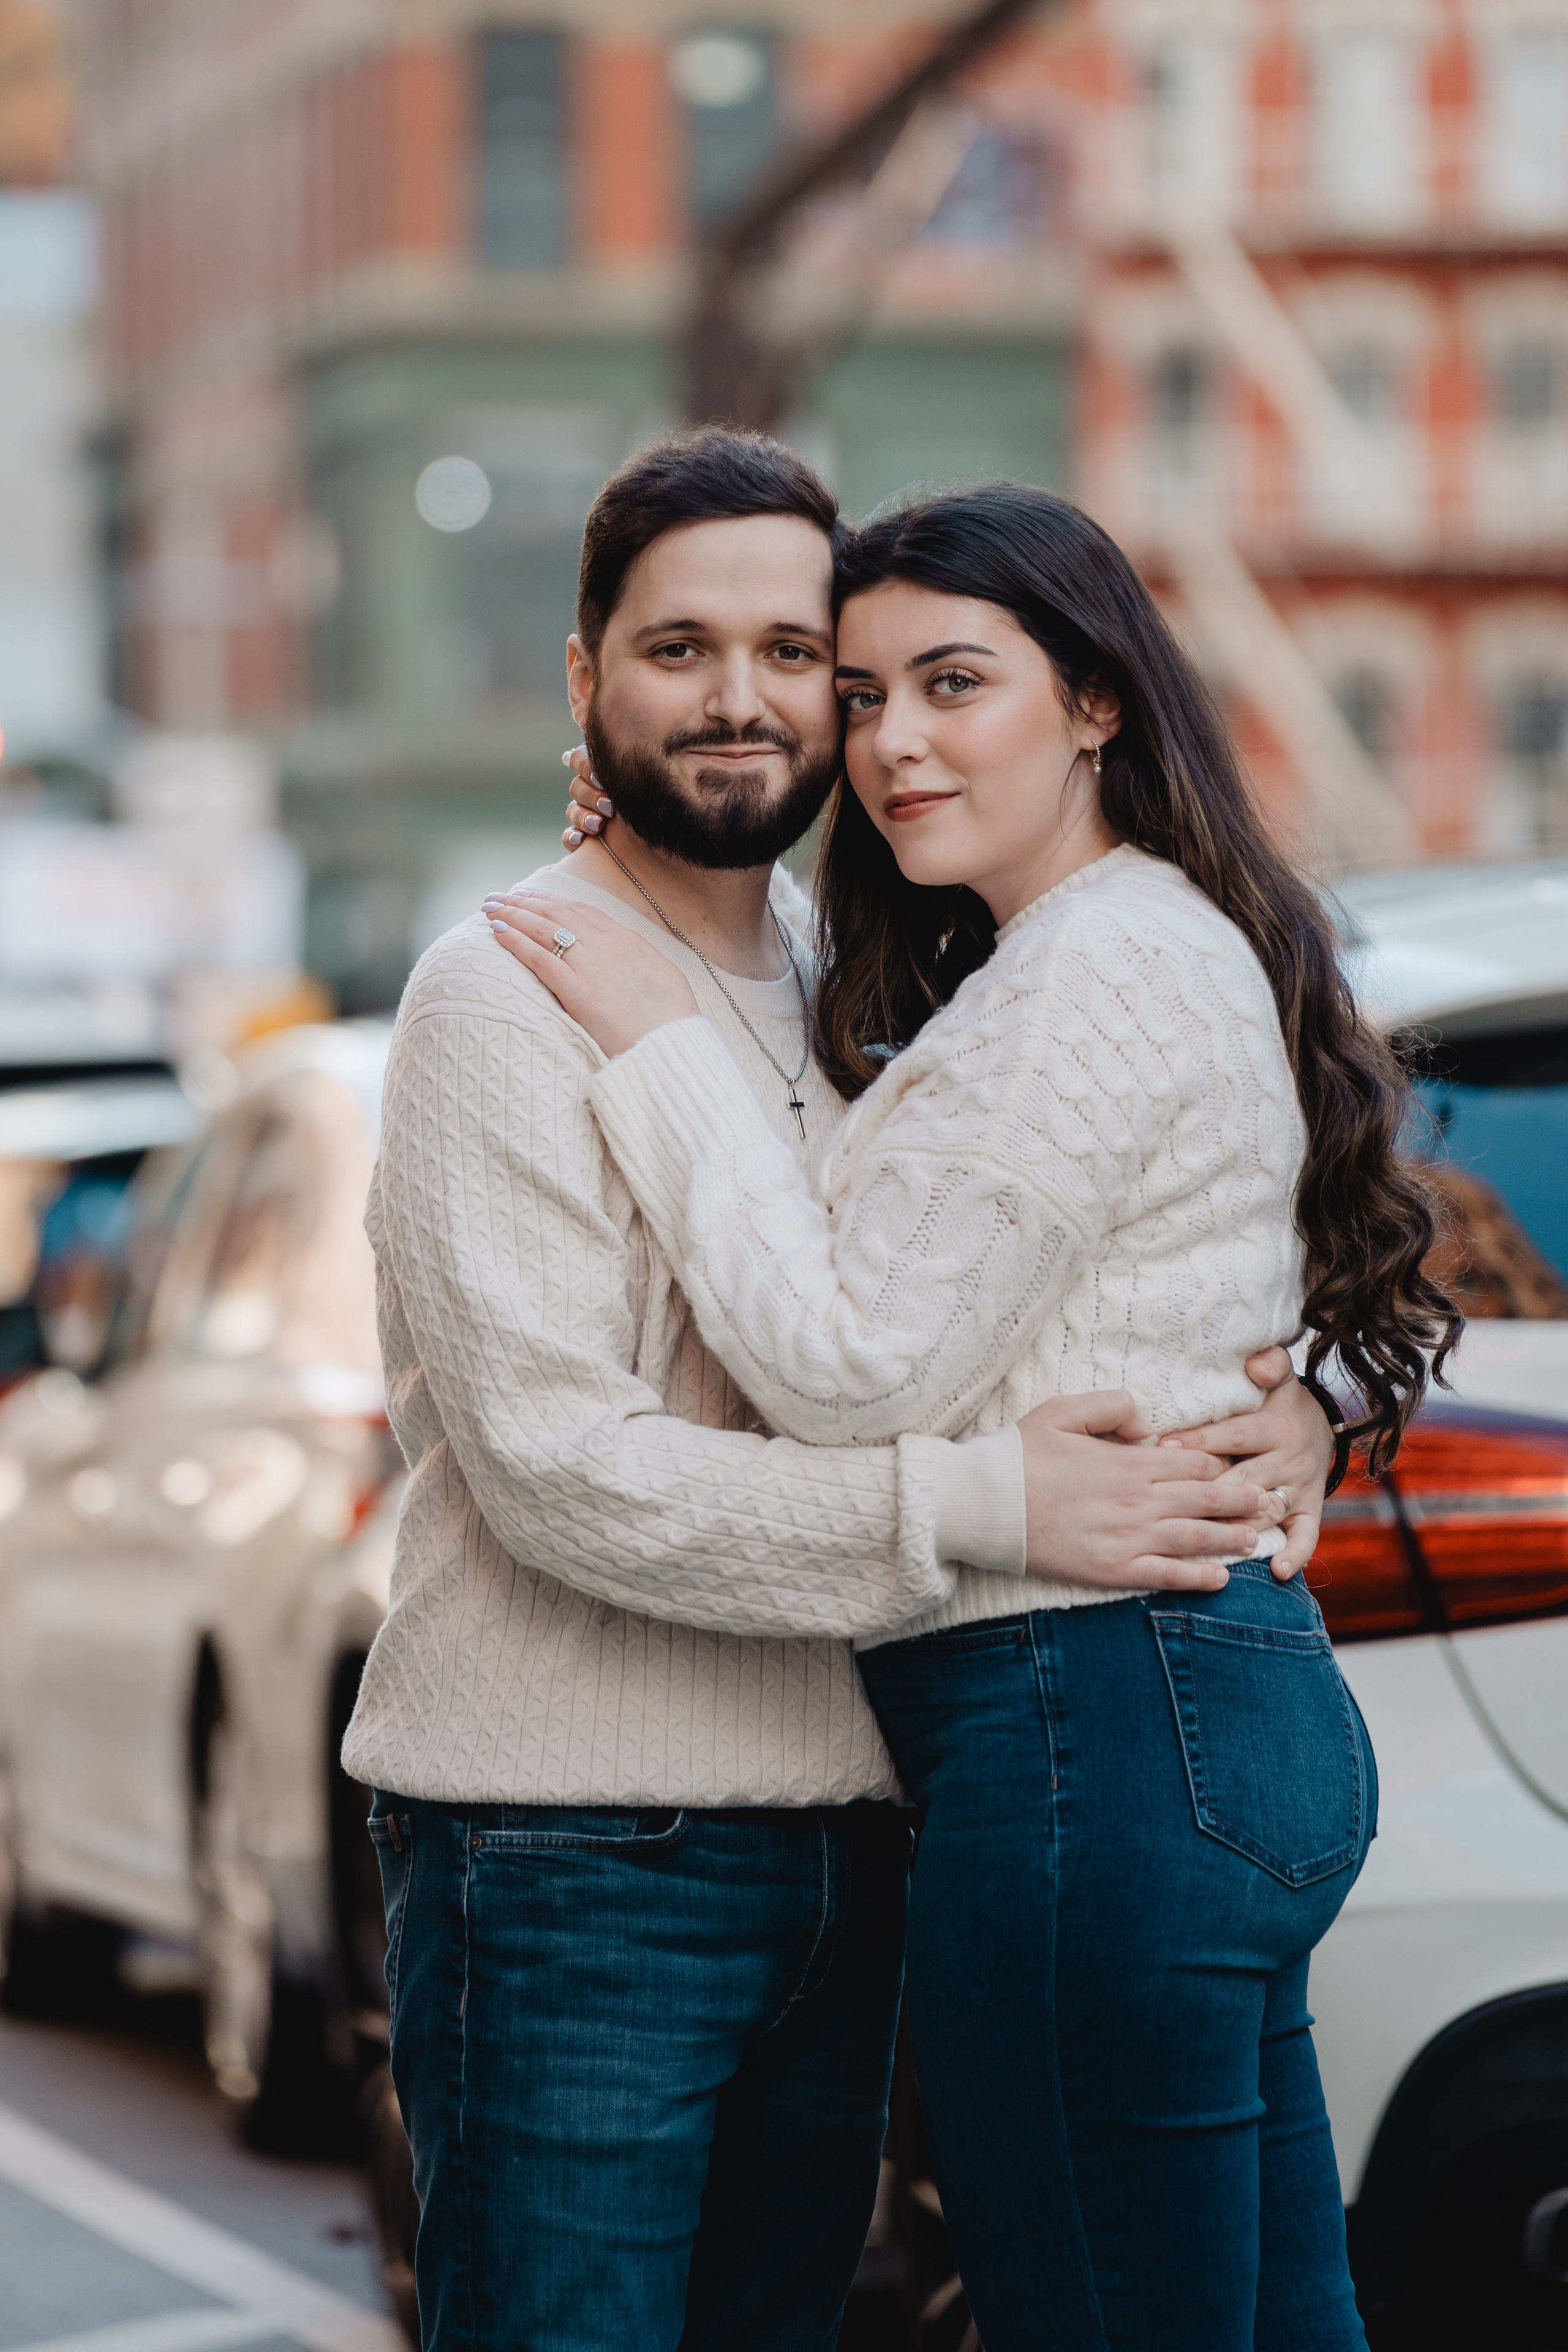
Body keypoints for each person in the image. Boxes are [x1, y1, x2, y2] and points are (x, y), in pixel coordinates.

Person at [348, 429, 1335, 2352]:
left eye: (804, 657)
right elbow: (564, 1473)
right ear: (584, 678)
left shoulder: (853, 972)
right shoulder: (507, 994)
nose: (753, 703)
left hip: (855, 1819)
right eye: (677, 649)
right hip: (578, 1853)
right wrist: (991, 1508)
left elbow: (1083, 1244)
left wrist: (1276, 1395)